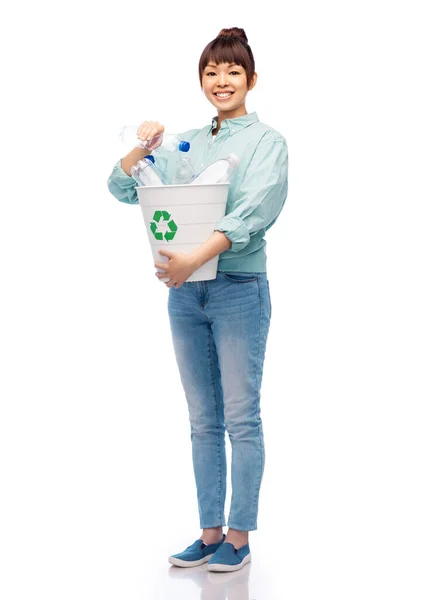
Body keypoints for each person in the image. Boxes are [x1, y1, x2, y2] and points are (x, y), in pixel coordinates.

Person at [107, 27, 289, 572]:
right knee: (202, 418)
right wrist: (144, 145)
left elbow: (251, 214)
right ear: (201, 81)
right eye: (211, 72)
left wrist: (192, 259)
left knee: (241, 417)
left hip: (237, 291)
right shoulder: (186, 142)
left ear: (251, 80)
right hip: (186, 294)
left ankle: (239, 535)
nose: (222, 80)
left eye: (233, 71)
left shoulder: (267, 143)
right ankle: (209, 531)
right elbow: (124, 188)